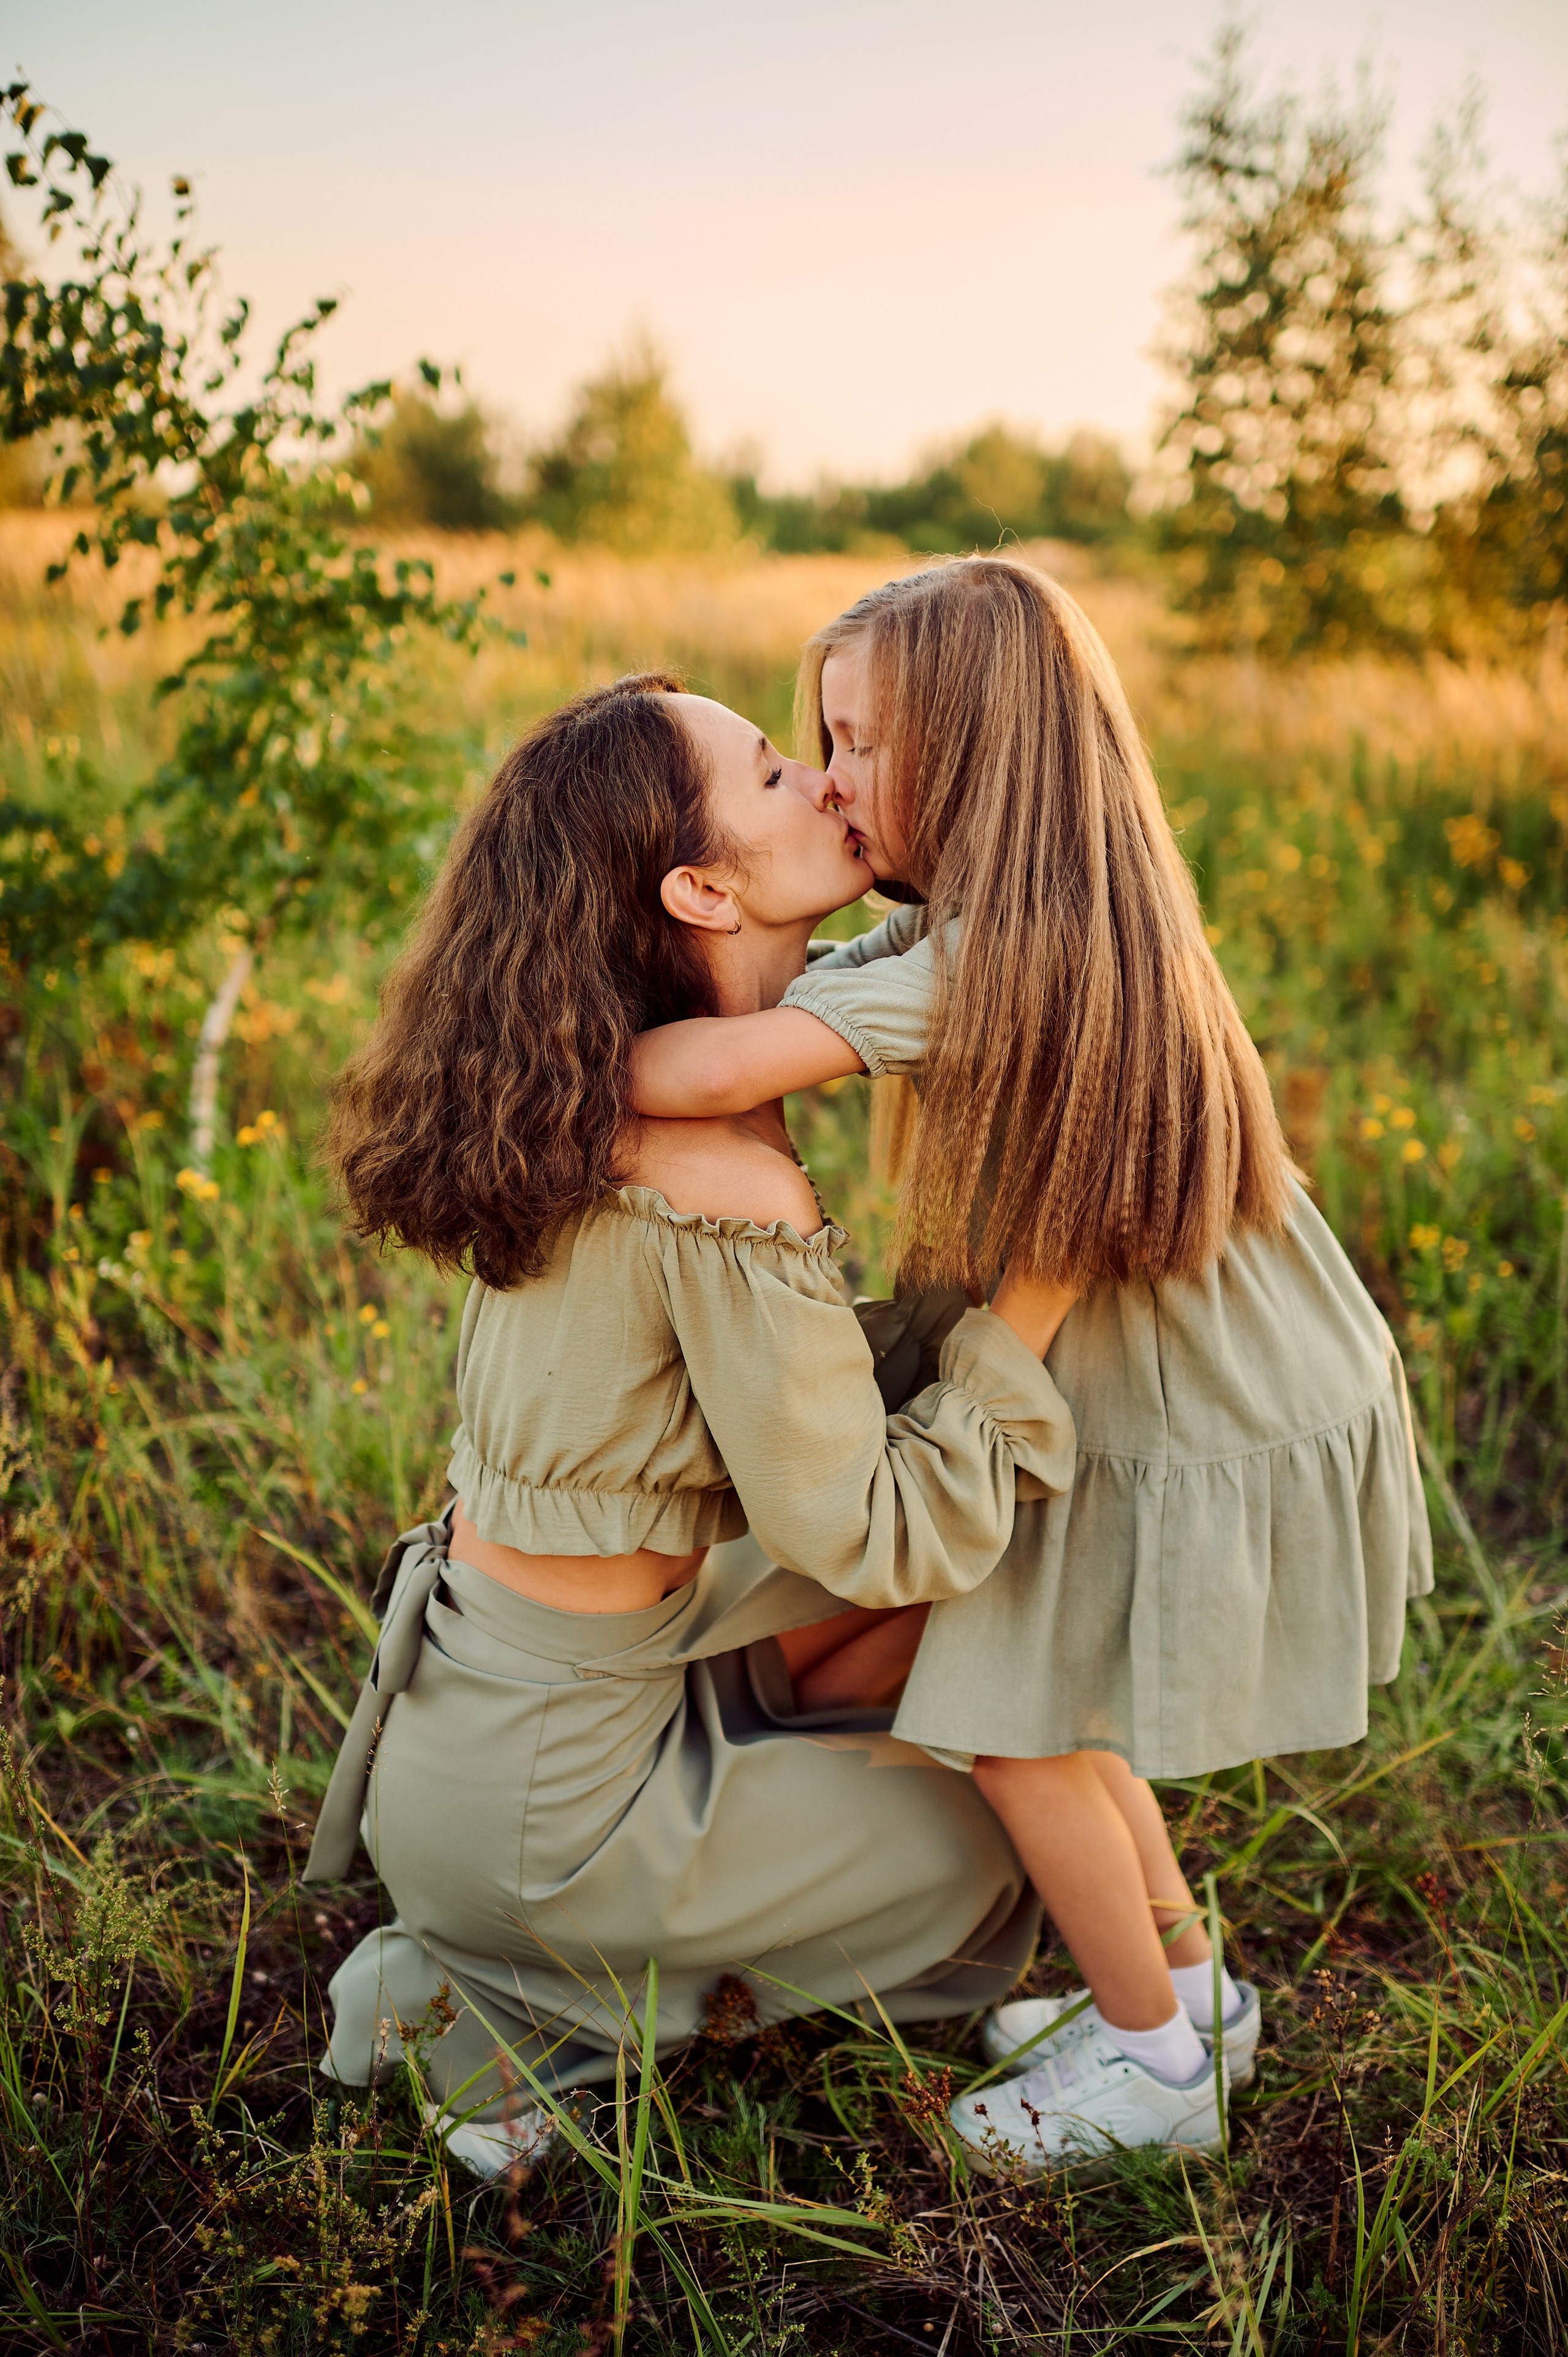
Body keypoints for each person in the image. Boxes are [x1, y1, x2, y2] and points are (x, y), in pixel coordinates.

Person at [630, 559, 1434, 2174]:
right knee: (1057, 1711)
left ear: (981, 751)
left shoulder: (1007, 958)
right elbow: (826, 990)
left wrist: (557, 1027)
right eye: (818, 739)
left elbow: (698, 1061)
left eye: (854, 743)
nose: (832, 781)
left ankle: (1152, 2066)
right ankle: (1192, 2001)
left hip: (1183, 1397)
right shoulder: (1016, 920)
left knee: (1012, 1717)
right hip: (1176, 1365)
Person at [304, 670, 1079, 2176]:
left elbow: (800, 1426)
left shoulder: (583, 1104)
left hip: (490, 1732)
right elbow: (865, 1524)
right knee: (1001, 1856)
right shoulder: (715, 1175)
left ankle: (512, 1971)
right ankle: (540, 2003)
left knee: (950, 1648)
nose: (821, 779)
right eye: (777, 771)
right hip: (562, 1815)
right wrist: (1040, 1301)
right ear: (699, 886)